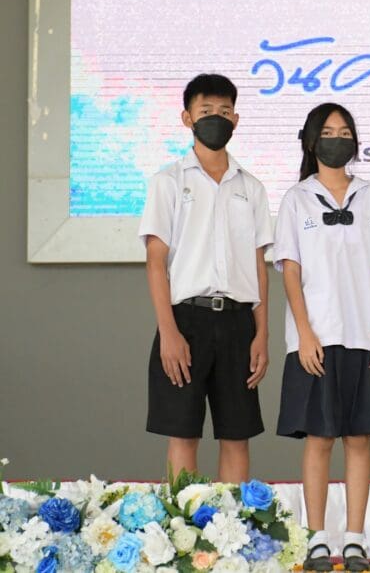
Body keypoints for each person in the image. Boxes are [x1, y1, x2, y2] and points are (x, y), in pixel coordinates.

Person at [274, 103, 370, 572]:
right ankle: (316, 540)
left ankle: (353, 540)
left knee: (359, 438)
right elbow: (290, 270)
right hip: (317, 337)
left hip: (364, 336)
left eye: (345, 132)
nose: (337, 139)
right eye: (328, 132)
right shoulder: (297, 199)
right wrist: (305, 333)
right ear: (312, 141)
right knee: (319, 439)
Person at [139, 73, 271, 482]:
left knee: (237, 436)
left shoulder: (252, 187)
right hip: (186, 320)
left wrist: (261, 334)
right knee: (183, 434)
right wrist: (169, 333)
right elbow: (155, 262)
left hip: (238, 321)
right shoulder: (168, 182)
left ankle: (234, 520)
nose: (217, 117)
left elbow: (258, 266)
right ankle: (185, 520)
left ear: (236, 119)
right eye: (206, 110)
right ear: (187, 118)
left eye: (225, 111)